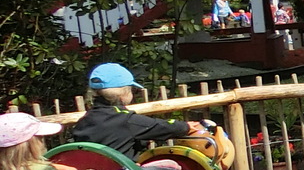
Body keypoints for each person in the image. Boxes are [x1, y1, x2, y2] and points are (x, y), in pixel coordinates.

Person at [71, 64, 208, 157]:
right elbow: (160, 126)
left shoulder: (84, 121)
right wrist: (186, 126)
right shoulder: (126, 120)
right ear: (123, 94)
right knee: (175, 169)